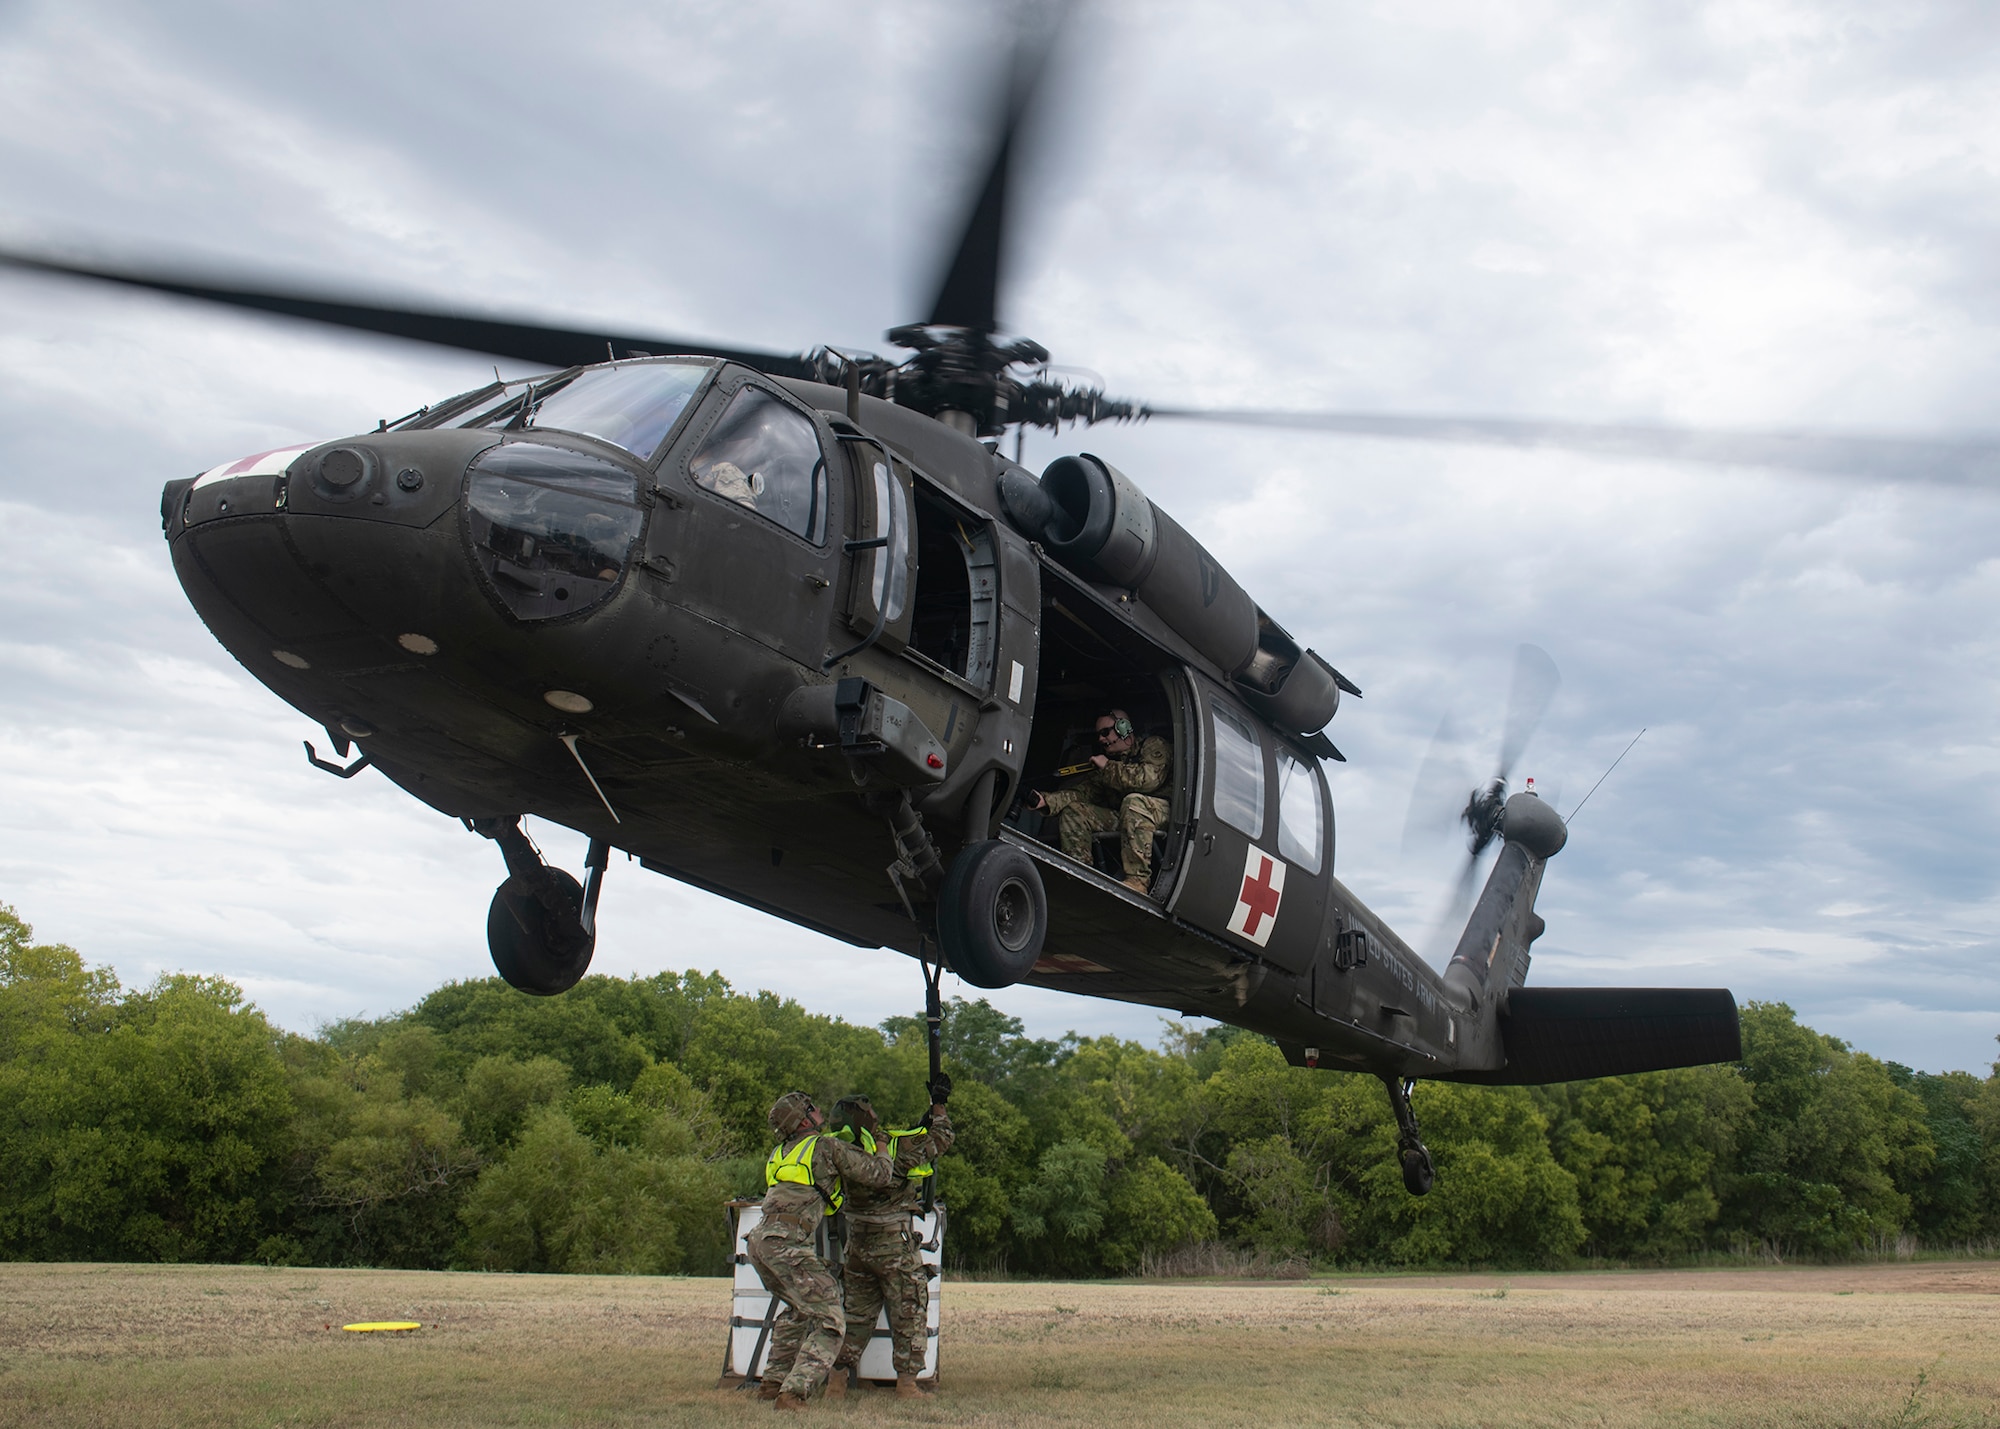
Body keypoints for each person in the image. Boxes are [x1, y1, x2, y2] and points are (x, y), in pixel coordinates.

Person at [745, 1091, 928, 1410]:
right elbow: (881, 1175)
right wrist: (882, 1145)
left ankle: (771, 1383)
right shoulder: (825, 1145)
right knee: (831, 1319)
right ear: (804, 1120)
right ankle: (794, 1393)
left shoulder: (783, 1151)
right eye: (811, 1109)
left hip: (760, 1241)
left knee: (798, 1309)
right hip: (788, 1243)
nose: (819, 1112)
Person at [824, 1091, 953, 1400]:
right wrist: (939, 1106)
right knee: (909, 1311)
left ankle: (836, 1384)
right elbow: (941, 1138)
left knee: (855, 1316)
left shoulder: (834, 1151)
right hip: (894, 1245)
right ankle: (907, 1385)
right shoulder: (893, 1148)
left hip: (856, 1245)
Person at [1030, 709, 1172, 893]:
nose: (1101, 739)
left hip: (1160, 812)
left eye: (1105, 732)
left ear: (1123, 728)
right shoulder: (1108, 766)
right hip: (1127, 815)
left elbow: (1148, 780)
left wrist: (1108, 766)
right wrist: (1047, 801)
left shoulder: (1153, 745)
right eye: (1098, 735)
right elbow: (1084, 793)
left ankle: (1137, 881)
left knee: (1133, 802)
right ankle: (1079, 874)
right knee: (1075, 811)